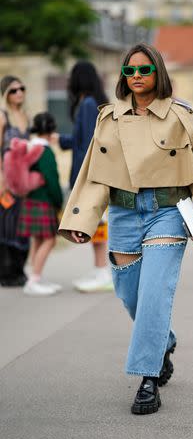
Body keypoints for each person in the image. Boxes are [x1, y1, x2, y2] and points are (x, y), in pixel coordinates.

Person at [58, 43, 193, 414]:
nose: (135, 77)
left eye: (144, 70)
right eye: (129, 71)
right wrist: (82, 220)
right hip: (123, 214)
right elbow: (93, 174)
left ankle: (148, 379)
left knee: (152, 294)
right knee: (131, 296)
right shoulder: (108, 118)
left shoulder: (181, 117)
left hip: (166, 212)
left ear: (157, 73)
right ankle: (163, 339)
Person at [56, 61, 113, 293]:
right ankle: (100, 269)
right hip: (92, 174)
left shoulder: (88, 104)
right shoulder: (91, 103)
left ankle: (102, 272)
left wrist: (82, 180)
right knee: (94, 223)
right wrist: (60, 139)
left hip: (90, 176)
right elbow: (82, 141)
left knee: (96, 223)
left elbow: (91, 145)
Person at [18, 112, 63, 295]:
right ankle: (34, 279)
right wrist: (59, 201)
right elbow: (52, 179)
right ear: (52, 129)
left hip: (30, 200)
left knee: (38, 239)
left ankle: (34, 277)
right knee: (50, 240)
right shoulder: (45, 151)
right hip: (44, 201)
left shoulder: (30, 148)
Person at [0, 75, 30, 286]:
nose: (18, 93)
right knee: (6, 225)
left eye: (21, 88)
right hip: (6, 180)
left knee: (22, 224)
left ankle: (19, 269)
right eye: (13, 90)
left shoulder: (26, 116)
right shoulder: (3, 117)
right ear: (5, 94)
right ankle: (7, 272)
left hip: (24, 182)